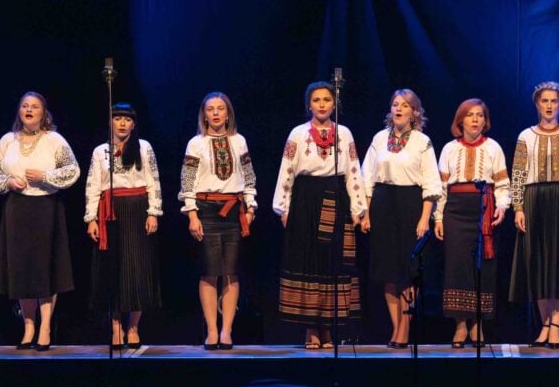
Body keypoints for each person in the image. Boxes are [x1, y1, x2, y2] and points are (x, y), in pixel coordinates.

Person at [272, 81, 366, 348]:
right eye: (317, 100)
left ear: (334, 104)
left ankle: (328, 328)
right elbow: (287, 169)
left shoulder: (344, 133)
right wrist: (284, 206)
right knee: (309, 262)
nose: (322, 104)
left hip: (336, 197)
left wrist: (358, 207)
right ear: (309, 105)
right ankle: (310, 329)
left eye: (327, 99)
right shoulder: (298, 134)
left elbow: (353, 170)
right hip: (305, 201)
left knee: (331, 263)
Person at [0, 92, 80, 352]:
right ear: (19, 111)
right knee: (21, 269)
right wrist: (8, 182)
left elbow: (73, 170)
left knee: (44, 268)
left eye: (34, 106)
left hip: (46, 207)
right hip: (16, 208)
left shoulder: (53, 140)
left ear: (43, 112)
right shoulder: (8, 140)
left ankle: (45, 327)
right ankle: (28, 327)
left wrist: (45, 175)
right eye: (24, 106)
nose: (29, 110)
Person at [509, 81, 559, 349]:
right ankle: (545, 323)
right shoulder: (525, 136)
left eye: (553, 101)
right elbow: (518, 173)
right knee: (539, 264)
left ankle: (556, 324)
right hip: (534, 199)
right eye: (544, 101)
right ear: (536, 104)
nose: (548, 106)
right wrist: (518, 207)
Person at [360, 89, 442, 348]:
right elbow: (368, 178)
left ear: (414, 112)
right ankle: (396, 326)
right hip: (383, 205)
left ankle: (405, 326)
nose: (398, 109)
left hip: (410, 205)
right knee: (388, 270)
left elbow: (431, 182)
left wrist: (424, 218)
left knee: (408, 271)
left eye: (404, 105)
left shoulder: (422, 142)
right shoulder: (379, 138)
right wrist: (366, 213)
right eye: (395, 104)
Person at [180, 92, 256, 350]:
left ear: (227, 113)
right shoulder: (196, 143)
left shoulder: (239, 141)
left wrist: (250, 207)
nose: (215, 113)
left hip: (233, 209)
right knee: (209, 271)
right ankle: (212, 330)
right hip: (206, 209)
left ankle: (227, 330)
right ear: (204, 114)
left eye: (220, 109)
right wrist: (192, 213)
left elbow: (248, 176)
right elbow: (187, 180)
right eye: (210, 109)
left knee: (230, 272)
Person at [85, 103, 163, 349]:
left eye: (126, 119)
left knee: (136, 269)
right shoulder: (100, 151)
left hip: (137, 209)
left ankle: (134, 326)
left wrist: (154, 213)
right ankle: (116, 327)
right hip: (110, 211)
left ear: (133, 123)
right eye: (117, 118)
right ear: (110, 122)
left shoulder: (144, 147)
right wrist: (91, 218)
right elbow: (93, 184)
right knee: (113, 270)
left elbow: (153, 180)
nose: (121, 123)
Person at [434, 98, 510, 347]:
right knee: (457, 266)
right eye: (470, 115)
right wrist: (438, 217)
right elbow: (441, 188)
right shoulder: (449, 148)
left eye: (480, 115)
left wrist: (501, 206)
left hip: (484, 208)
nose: (475, 119)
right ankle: (460, 324)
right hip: (455, 210)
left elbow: (502, 184)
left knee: (483, 266)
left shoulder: (493, 148)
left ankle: (478, 323)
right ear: (461, 120)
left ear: (485, 121)